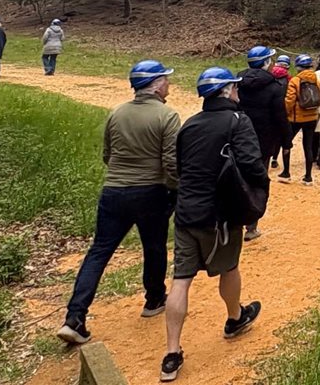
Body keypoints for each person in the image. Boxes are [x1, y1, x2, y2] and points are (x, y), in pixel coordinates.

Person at [58, 60, 180, 346]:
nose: (169, 84)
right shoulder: (167, 115)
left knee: (99, 251)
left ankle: (75, 317)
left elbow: (107, 155)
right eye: (166, 79)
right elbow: (172, 163)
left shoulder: (117, 113)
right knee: (153, 246)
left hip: (113, 190)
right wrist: (174, 190)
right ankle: (153, 300)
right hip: (151, 190)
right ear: (157, 84)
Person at [162, 67, 266, 382]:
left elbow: (181, 168)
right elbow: (251, 163)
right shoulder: (238, 121)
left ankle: (171, 353)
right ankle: (235, 318)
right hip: (219, 215)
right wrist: (258, 192)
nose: (237, 91)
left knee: (180, 280)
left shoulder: (190, 124)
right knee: (229, 267)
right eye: (234, 87)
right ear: (225, 91)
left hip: (185, 213)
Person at [235, 45, 288, 241]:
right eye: (270, 60)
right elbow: (280, 116)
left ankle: (234, 220)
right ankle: (251, 226)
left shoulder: (237, 82)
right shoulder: (275, 87)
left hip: (239, 138)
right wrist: (286, 140)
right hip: (264, 142)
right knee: (258, 180)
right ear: (265, 63)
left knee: (237, 177)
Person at [282, 53, 320, 185]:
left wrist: (285, 113)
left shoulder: (295, 81)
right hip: (312, 117)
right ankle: (308, 177)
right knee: (308, 146)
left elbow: (290, 100)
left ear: (298, 66)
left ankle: (286, 173)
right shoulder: (317, 79)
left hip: (295, 118)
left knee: (286, 143)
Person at [269, 55, 292, 170]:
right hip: (281, 108)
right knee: (278, 136)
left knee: (269, 134)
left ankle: (266, 157)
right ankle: (274, 159)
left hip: (269, 108)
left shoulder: (269, 75)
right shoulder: (289, 78)